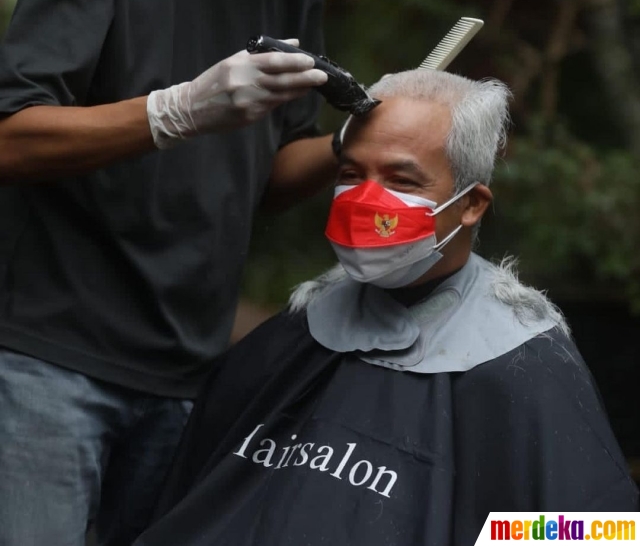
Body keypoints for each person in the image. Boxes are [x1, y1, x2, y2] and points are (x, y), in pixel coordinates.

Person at [0, 0, 381, 544]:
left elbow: (268, 175)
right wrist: (177, 109)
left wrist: (362, 134)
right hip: (49, 365)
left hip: (188, 376)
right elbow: (12, 137)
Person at [134, 68, 639, 546]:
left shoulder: (522, 363)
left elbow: (598, 529)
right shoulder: (292, 336)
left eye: (402, 180)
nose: (366, 201)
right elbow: (198, 492)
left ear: (471, 204)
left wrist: (481, 528)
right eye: (352, 174)